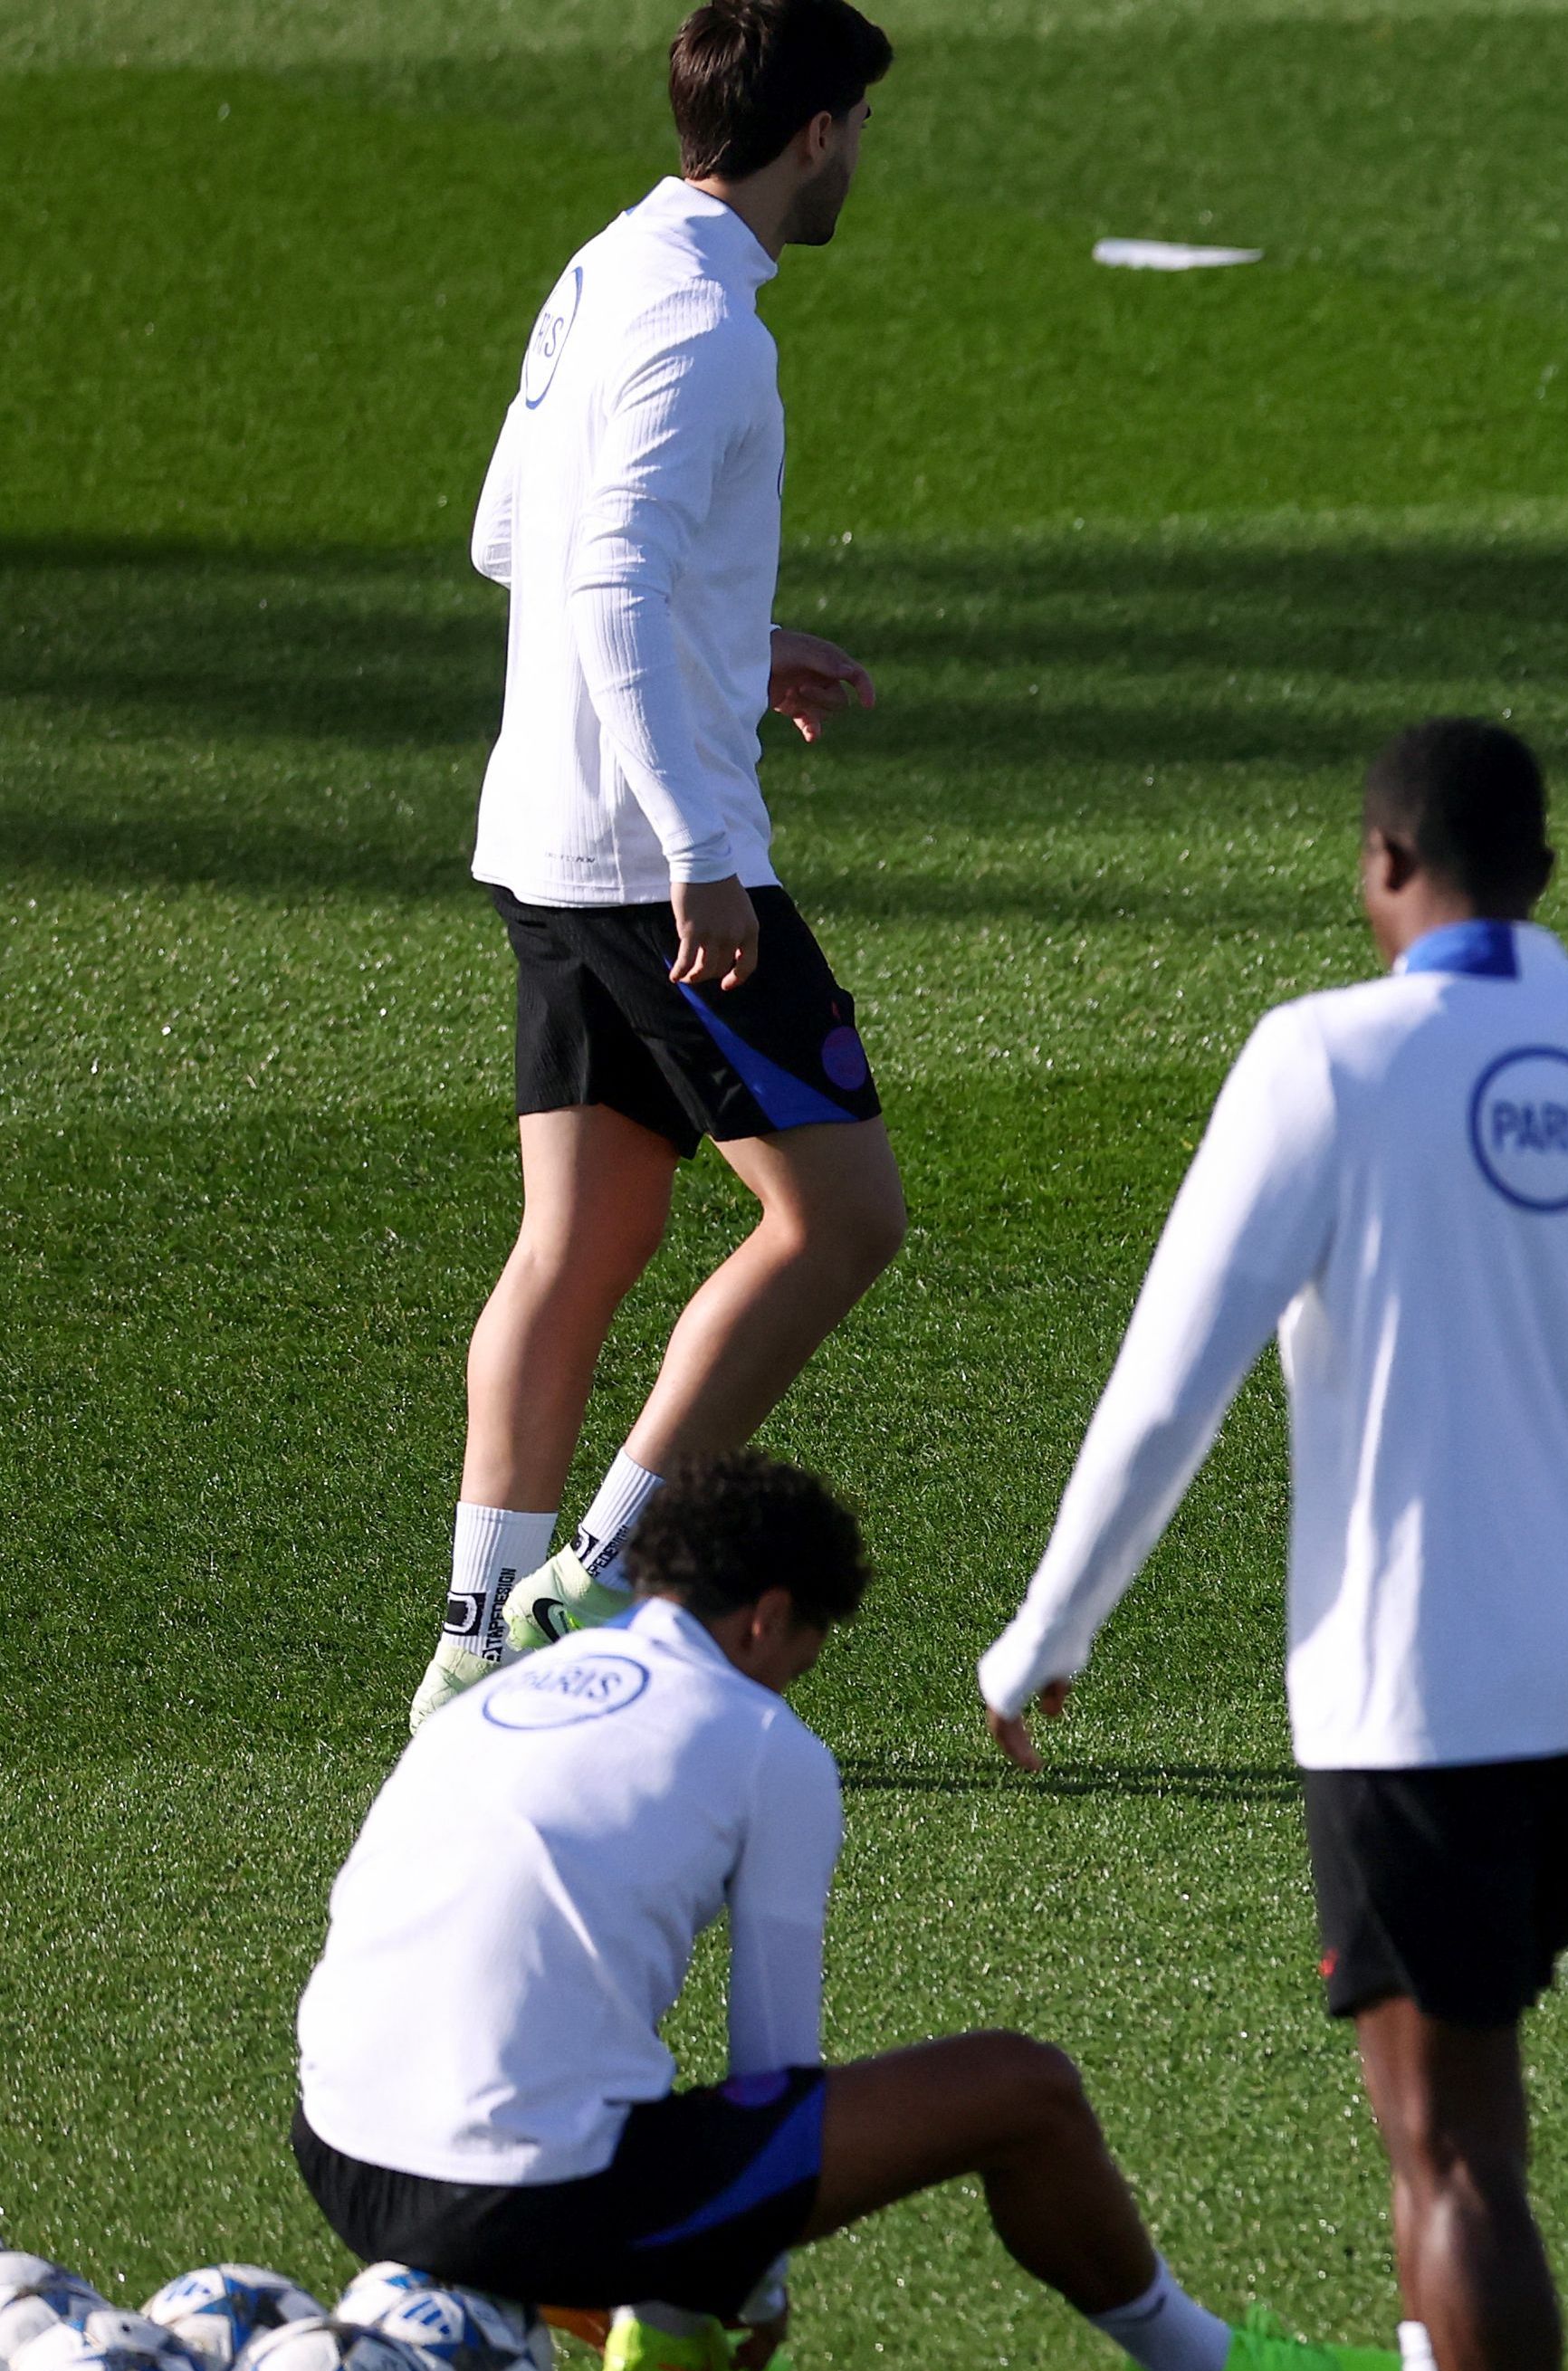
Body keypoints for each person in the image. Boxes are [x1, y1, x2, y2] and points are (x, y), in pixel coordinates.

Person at [977, 720, 1568, 2371]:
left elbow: (1169, 1382)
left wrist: (1045, 1630)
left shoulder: (1319, 1057)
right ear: (1547, 872)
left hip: (1413, 1689)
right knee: (1465, 2098)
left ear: (1380, 863)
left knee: (1450, 2149)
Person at [295, 1452, 1395, 2371]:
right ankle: (1196, 2367)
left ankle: (664, 2345)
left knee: (601, 2070)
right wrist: (748, 2289)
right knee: (1024, 2090)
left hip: (337, 2155)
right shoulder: (765, 1744)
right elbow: (772, 2064)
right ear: (766, 1617)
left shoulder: (499, 1694)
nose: (791, 1683)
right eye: (803, 1656)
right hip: (508, 2201)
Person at [418, 0, 911, 1728]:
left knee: (586, 1232)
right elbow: (605, 580)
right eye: (858, 125)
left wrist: (739, 634)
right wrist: (706, 847)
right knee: (841, 1216)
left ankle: (477, 1627)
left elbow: (514, 535)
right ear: (818, 131)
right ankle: (604, 1580)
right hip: (656, 857)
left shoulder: (605, 266)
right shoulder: (709, 323)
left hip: (544, 835)